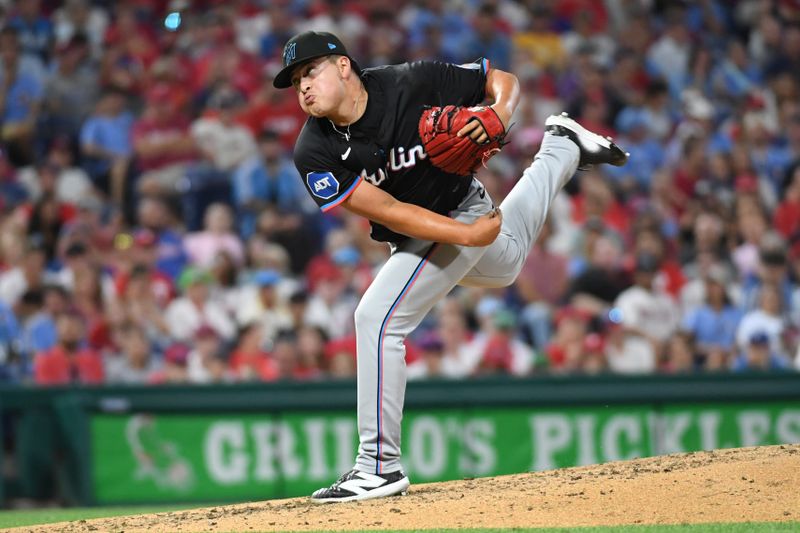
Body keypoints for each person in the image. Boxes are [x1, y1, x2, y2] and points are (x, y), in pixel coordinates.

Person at [272, 30, 628, 502]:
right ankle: (562, 146)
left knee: (376, 318)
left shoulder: (411, 82)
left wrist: (498, 113)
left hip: (461, 205)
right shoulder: (312, 150)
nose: (302, 87)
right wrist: (466, 235)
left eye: (309, 72)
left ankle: (378, 466)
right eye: (295, 82)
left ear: (342, 66)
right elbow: (387, 210)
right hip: (430, 228)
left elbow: (501, 79)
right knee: (506, 264)